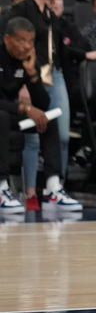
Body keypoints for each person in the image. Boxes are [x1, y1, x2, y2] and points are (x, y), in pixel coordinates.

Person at [9, 0, 96, 189]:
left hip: (55, 75)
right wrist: (18, 82)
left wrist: (83, 54)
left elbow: (60, 48)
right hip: (30, 76)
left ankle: (57, 187)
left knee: (62, 136)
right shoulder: (19, 11)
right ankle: (29, 191)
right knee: (32, 136)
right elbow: (11, 45)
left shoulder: (51, 14)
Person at [0, 17, 80, 210]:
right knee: (1, 117)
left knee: (47, 118)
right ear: (7, 39)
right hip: (4, 114)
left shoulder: (26, 61)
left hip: (10, 113)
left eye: (30, 41)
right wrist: (25, 108)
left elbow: (42, 102)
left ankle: (52, 187)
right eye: (21, 41)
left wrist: (33, 74)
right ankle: (2, 188)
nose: (26, 46)